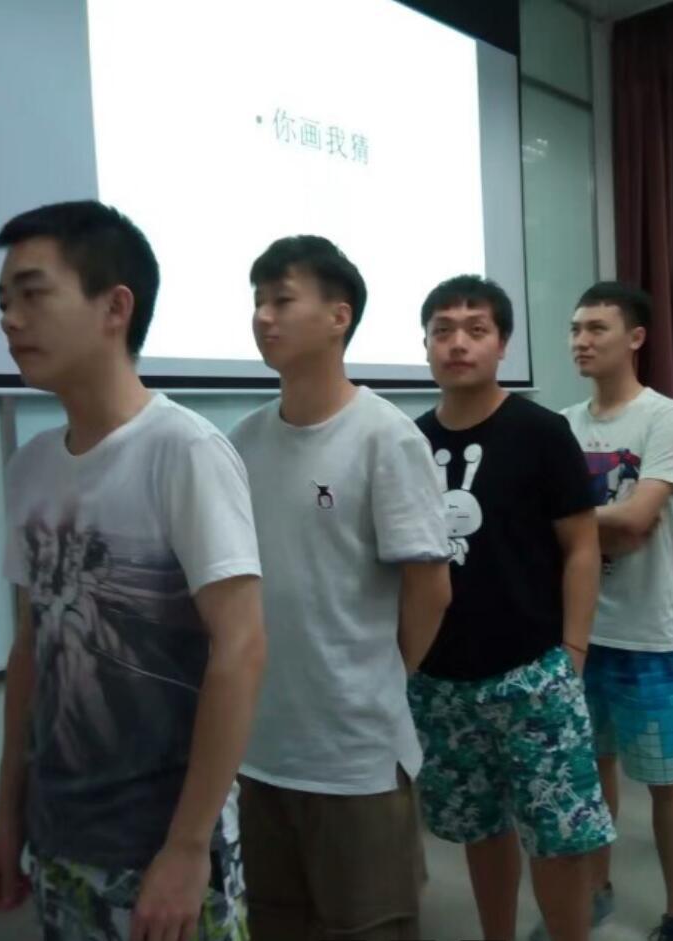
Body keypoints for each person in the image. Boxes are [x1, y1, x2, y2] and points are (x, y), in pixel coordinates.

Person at [0, 201, 267, 941]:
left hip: (163, 836)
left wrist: (188, 846)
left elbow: (240, 647)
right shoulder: (31, 467)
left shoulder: (185, 451)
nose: (10, 319)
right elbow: (30, 647)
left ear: (115, 307)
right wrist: (7, 813)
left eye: (33, 294)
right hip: (61, 828)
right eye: (3, 300)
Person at [228, 235, 453, 941]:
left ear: (338, 316)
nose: (264, 316)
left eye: (281, 299)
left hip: (355, 757)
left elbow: (430, 589)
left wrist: (376, 678)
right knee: (273, 922)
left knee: (368, 925)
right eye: (258, 301)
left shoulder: (385, 437)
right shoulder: (242, 441)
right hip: (261, 747)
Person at [408, 275, 615, 941]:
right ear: (425, 345)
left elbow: (582, 546)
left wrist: (573, 651)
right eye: (443, 330)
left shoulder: (541, 431)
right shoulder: (409, 442)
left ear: (502, 345)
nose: (458, 343)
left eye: (476, 330)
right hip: (441, 679)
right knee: (480, 828)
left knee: (559, 836)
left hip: (533, 671)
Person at [561, 282, 673, 941]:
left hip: (645, 632)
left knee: (669, 781)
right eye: (575, 329)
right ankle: (595, 891)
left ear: (635, 337)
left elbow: (641, 518)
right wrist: (600, 524)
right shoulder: (562, 423)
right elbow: (585, 526)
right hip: (578, 628)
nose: (581, 341)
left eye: (597, 328)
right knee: (589, 769)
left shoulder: (664, 417)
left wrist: (570, 522)